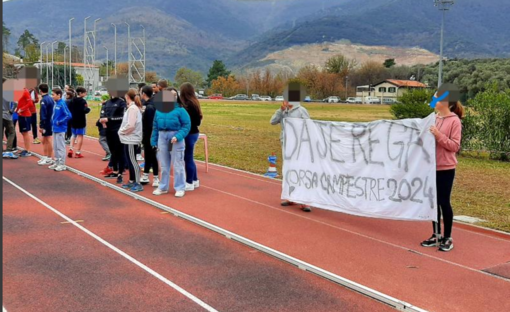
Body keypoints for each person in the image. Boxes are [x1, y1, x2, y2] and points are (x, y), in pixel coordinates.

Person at [421, 86, 464, 252]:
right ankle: (436, 234)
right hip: (431, 167)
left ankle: (448, 237)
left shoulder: (454, 121)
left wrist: (438, 135)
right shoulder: (434, 118)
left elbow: (454, 146)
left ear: (445, 102)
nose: (433, 100)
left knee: (443, 201)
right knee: (433, 203)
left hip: (446, 168)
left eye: (436, 98)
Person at [270, 100, 312, 212]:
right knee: (288, 170)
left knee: (301, 170)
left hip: (299, 145)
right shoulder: (283, 111)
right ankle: (291, 197)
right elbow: (272, 121)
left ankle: (304, 201)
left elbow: (310, 127)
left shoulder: (302, 111)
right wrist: (281, 111)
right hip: (286, 144)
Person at [151, 89, 191, 197]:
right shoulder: (158, 110)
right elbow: (155, 126)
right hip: (162, 137)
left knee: (178, 164)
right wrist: (153, 141)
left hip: (175, 137)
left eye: (174, 95)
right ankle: (163, 187)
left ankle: (180, 187)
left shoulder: (181, 110)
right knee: (164, 165)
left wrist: (178, 136)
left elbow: (186, 125)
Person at [119, 88, 144, 192]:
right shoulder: (132, 108)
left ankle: (138, 182)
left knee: (133, 161)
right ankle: (131, 180)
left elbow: (131, 125)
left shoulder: (133, 108)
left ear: (127, 97)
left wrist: (121, 131)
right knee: (129, 160)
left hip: (131, 138)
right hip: (129, 138)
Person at [100, 92, 127, 184]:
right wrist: (102, 120)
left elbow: (123, 117)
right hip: (108, 130)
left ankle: (120, 172)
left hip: (118, 130)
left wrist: (109, 119)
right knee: (112, 151)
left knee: (119, 151)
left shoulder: (121, 102)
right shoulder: (107, 102)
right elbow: (103, 113)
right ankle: (114, 170)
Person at [180, 83, 202, 191]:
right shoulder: (195, 103)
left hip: (188, 133)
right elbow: (198, 121)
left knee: (187, 158)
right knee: (189, 157)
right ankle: (195, 180)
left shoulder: (186, 105)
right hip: (194, 132)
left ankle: (189, 182)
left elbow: (185, 121)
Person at [140, 85, 159, 187]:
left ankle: (156, 177)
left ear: (143, 93)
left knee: (152, 155)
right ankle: (146, 175)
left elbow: (151, 123)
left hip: (150, 134)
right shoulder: (145, 104)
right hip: (146, 133)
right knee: (147, 155)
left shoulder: (151, 106)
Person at [49, 88, 72, 172]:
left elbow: (69, 115)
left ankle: (62, 164)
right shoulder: (56, 103)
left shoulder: (62, 103)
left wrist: (60, 122)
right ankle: (57, 162)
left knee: (60, 147)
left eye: (53, 94)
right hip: (54, 128)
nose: (52, 96)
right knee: (55, 146)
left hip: (60, 128)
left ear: (59, 95)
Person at [14, 74, 36, 157]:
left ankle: (28, 150)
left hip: (25, 115)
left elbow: (30, 103)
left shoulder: (25, 91)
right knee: (23, 132)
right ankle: (26, 149)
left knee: (25, 132)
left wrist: (22, 109)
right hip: (20, 114)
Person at [67, 87, 90, 158]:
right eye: (84, 92)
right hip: (80, 120)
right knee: (80, 135)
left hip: (73, 120)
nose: (86, 94)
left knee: (73, 135)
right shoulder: (83, 101)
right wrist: (88, 109)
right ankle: (78, 152)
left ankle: (70, 149)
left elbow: (69, 109)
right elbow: (85, 110)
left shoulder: (72, 100)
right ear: (80, 93)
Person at [37, 83, 55, 166]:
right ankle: (45, 156)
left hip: (47, 122)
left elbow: (43, 113)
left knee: (48, 139)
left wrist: (42, 125)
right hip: (49, 121)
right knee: (44, 139)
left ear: (40, 91)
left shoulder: (44, 100)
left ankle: (49, 157)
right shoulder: (50, 98)